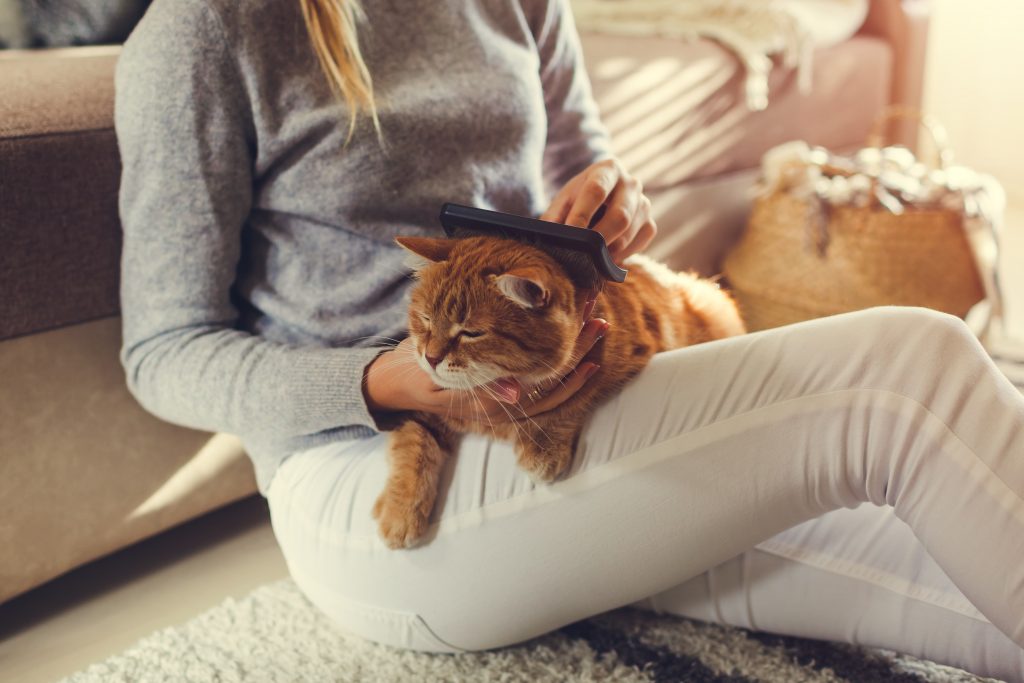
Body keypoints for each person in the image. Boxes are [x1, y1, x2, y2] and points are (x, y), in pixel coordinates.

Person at [113, 0, 1024, 679]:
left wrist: (618, 207)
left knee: (934, 551)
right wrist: (388, 381)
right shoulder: (205, 31)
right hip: (371, 490)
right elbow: (164, 351)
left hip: (559, 422)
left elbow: (585, 168)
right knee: (911, 374)